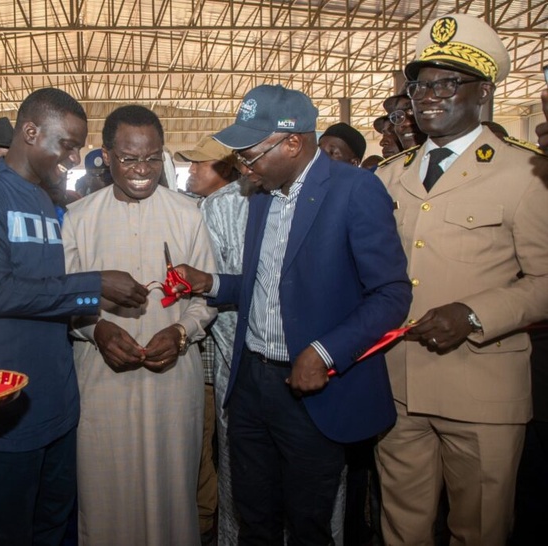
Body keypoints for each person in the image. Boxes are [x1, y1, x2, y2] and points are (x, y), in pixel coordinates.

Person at [174, 84, 412, 545]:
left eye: (250, 156)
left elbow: (391, 294)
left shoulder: (355, 190)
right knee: (253, 517)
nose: (244, 168)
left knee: (308, 523)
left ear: (292, 143)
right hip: (251, 382)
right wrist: (213, 283)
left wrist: (324, 352)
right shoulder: (263, 193)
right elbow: (265, 286)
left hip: (311, 390)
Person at [374, 14, 548, 545]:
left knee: (480, 531)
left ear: (483, 92)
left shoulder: (526, 173)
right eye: (420, 86)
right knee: (401, 529)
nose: (428, 97)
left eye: (447, 83)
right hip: (397, 387)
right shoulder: (389, 175)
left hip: (481, 386)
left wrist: (474, 314)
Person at [0, 88, 148, 546]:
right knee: (12, 532)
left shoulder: (42, 198)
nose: (74, 158)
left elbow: (48, 290)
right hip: (7, 407)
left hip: (56, 401)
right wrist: (94, 284)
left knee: (56, 525)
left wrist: (94, 314)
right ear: (31, 132)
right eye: (68, 145)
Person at [62, 105, 217, 545]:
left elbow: (205, 299)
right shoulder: (79, 218)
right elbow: (63, 299)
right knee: (105, 493)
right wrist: (96, 329)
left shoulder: (188, 214)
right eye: (129, 159)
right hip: (101, 380)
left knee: (173, 495)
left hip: (174, 382)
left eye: (152, 158)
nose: (142, 170)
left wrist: (182, 333)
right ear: (107, 156)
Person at [174, 135, 243, 545]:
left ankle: (211, 524)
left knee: (217, 448)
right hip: (204, 357)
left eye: (201, 164)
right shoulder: (197, 208)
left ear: (228, 169)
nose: (192, 170)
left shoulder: (229, 207)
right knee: (207, 448)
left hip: (222, 355)